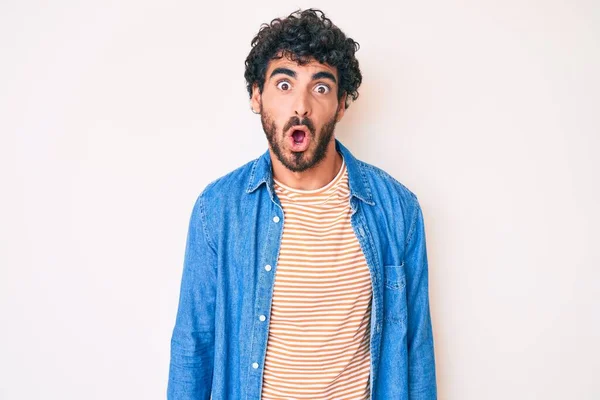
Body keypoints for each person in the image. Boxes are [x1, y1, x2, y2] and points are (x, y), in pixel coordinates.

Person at [168, 8, 437, 400]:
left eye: (321, 87)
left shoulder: (398, 211)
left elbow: (416, 352)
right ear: (256, 97)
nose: (301, 106)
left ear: (342, 104)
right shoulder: (218, 211)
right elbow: (193, 348)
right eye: (283, 85)